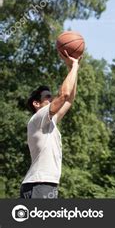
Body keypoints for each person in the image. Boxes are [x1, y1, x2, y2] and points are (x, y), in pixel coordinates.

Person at [19, 51, 81, 199]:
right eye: (47, 97)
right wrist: (73, 65)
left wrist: (73, 68)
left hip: (44, 184)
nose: (51, 99)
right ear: (36, 103)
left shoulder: (49, 121)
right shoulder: (38, 117)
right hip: (40, 184)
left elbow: (70, 98)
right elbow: (64, 95)